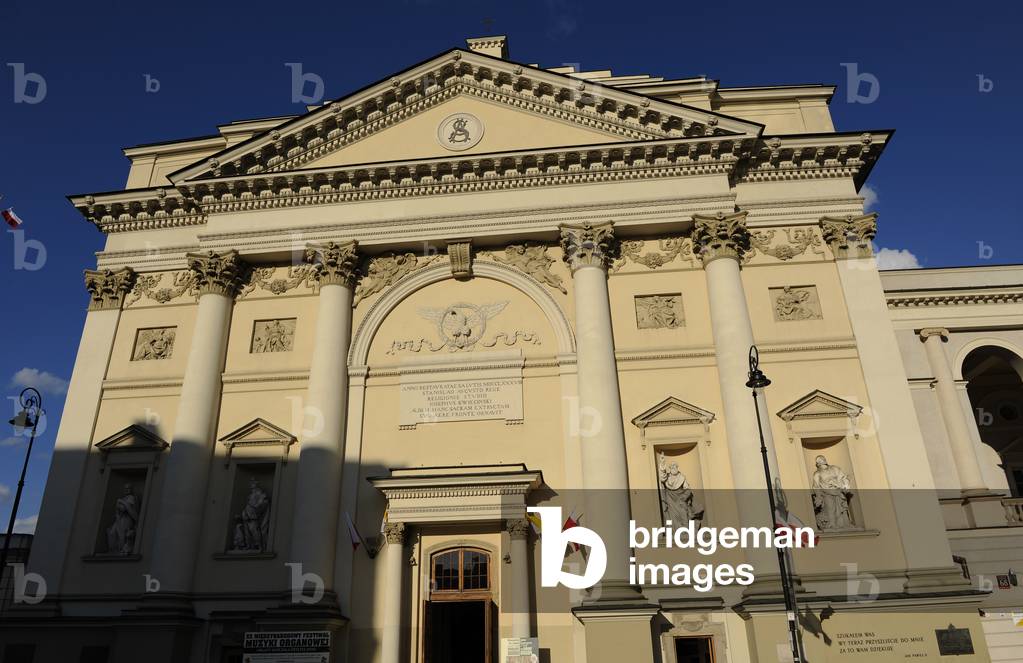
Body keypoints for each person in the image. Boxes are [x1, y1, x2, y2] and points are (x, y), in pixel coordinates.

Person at [811, 455, 855, 530]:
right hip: (827, 493)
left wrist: (845, 485)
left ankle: (846, 524)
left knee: (843, 509)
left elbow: (843, 477)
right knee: (831, 509)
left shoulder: (834, 468)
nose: (822, 460)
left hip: (838, 491)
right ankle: (833, 525)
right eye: (820, 460)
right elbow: (816, 486)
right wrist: (818, 496)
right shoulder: (817, 474)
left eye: (823, 459)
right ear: (817, 463)